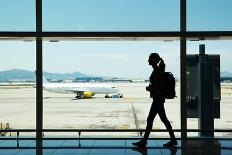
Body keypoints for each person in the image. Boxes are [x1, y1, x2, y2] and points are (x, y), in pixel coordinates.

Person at [132, 53, 177, 147]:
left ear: (153, 60)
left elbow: (160, 87)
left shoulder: (157, 71)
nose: (148, 61)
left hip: (158, 99)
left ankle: (144, 141)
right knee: (163, 119)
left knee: (150, 119)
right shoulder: (157, 70)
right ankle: (173, 139)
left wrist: (150, 89)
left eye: (149, 59)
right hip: (158, 99)